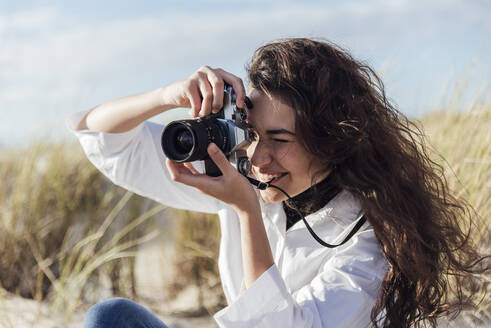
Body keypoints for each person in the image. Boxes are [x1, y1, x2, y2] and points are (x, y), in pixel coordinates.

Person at [68, 38, 486, 328]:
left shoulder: (366, 240)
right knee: (110, 318)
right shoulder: (243, 179)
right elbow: (102, 140)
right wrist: (167, 95)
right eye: (252, 134)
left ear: (330, 140)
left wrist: (246, 213)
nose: (259, 157)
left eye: (280, 140)